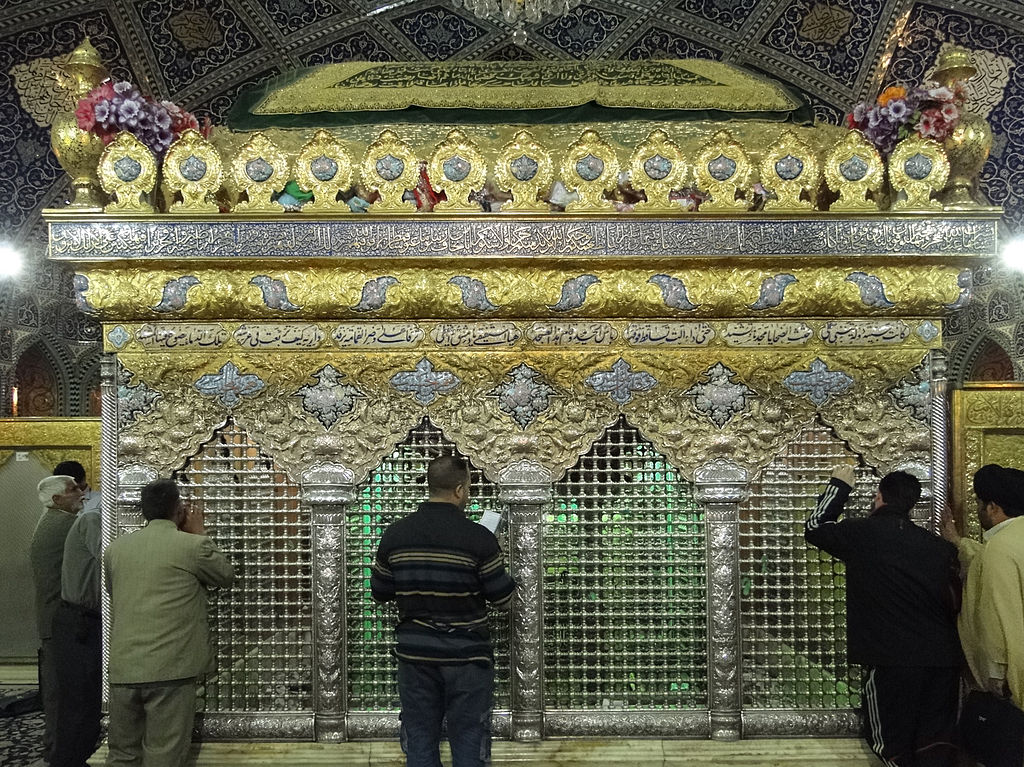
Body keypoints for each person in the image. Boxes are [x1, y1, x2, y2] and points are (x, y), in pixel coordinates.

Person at [805, 466, 961, 767]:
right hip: (942, 659)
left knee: (893, 744)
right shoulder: (938, 548)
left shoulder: (862, 535)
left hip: (893, 659)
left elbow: (815, 527)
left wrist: (839, 486)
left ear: (879, 497)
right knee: (934, 743)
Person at [371, 456, 516, 767]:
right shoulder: (479, 538)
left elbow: (380, 593)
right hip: (467, 657)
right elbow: (503, 599)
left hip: (416, 657)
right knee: (468, 739)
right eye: (470, 490)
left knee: (421, 740)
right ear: (460, 490)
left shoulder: (395, 535)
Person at [104, 478, 234, 767]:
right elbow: (225, 575)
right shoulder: (192, 546)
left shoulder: (116, 549)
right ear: (179, 509)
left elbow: (115, 592)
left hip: (124, 668)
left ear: (143, 512)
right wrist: (200, 533)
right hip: (169, 669)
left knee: (122, 754)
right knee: (165, 753)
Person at [942, 463, 1024, 767]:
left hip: (1012, 690)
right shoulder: (1011, 543)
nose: (977, 510)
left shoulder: (999, 549)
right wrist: (958, 542)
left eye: (978, 503)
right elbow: (985, 562)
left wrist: (997, 681)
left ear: (993, 507)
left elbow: (996, 619)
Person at [29, 474, 85, 762]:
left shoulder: (50, 520)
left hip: (51, 617)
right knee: (60, 690)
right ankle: (59, 747)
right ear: (57, 499)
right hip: (59, 620)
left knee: (57, 688)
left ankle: (55, 743)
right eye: (73, 489)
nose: (81, 492)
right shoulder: (65, 525)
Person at [50, 464, 103, 767]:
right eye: (75, 490)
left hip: (78, 621)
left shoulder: (85, 520)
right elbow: (109, 559)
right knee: (80, 708)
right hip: (78, 623)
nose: (82, 496)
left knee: (82, 705)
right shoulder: (92, 521)